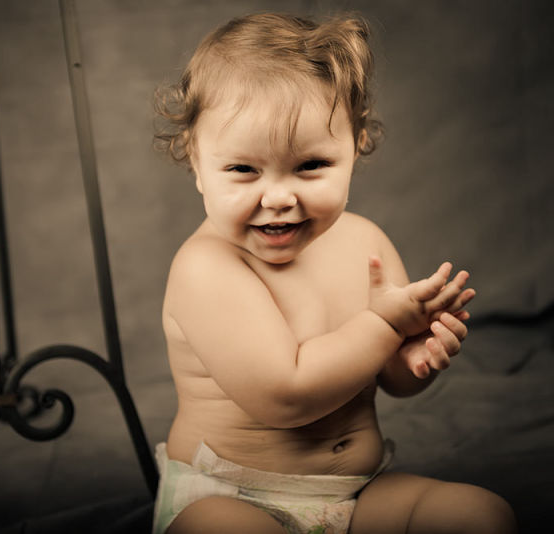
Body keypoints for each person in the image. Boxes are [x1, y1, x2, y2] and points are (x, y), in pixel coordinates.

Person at [151, 12, 517, 534]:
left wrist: (413, 356)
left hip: (358, 492)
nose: (278, 197)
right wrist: (386, 326)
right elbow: (287, 396)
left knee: (480, 515)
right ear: (197, 160)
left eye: (310, 166)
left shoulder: (364, 241)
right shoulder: (206, 268)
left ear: (355, 145)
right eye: (242, 169)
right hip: (236, 496)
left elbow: (386, 377)